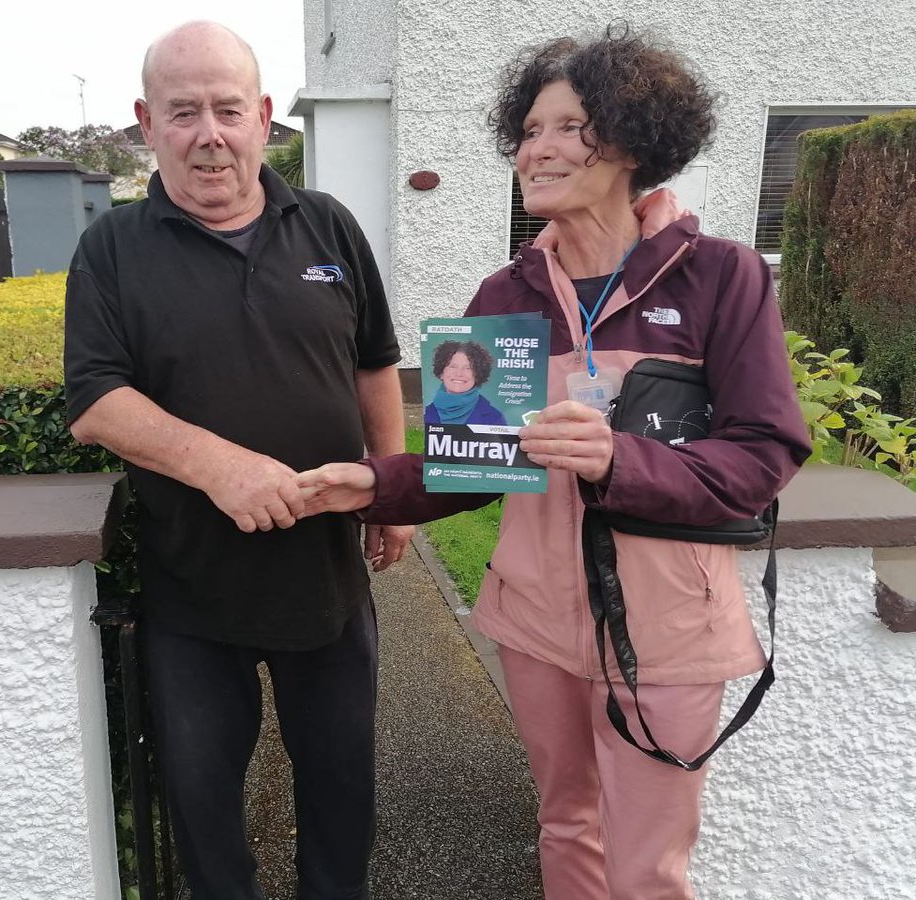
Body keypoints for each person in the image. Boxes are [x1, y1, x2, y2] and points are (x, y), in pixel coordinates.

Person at [299, 24, 810, 900]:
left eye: (569, 127)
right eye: (530, 129)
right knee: (565, 825)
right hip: (534, 624)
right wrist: (373, 482)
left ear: (633, 141)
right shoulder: (507, 294)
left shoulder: (720, 277)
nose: (538, 148)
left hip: (668, 634)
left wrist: (619, 459)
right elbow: (477, 461)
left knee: (647, 866)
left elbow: (764, 457)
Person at [63, 21, 412, 900]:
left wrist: (394, 485)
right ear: (147, 123)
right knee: (204, 807)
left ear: (263, 117)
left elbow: (375, 361)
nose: (208, 133)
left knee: (341, 791)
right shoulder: (113, 249)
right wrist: (222, 467)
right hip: (193, 588)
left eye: (228, 109)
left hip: (327, 579)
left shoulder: (327, 224)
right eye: (184, 112)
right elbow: (96, 401)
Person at [424, 339, 508, 425]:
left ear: (478, 375)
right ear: (441, 372)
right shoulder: (425, 414)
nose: (459, 373)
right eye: (453, 366)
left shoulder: (494, 418)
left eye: (468, 368)